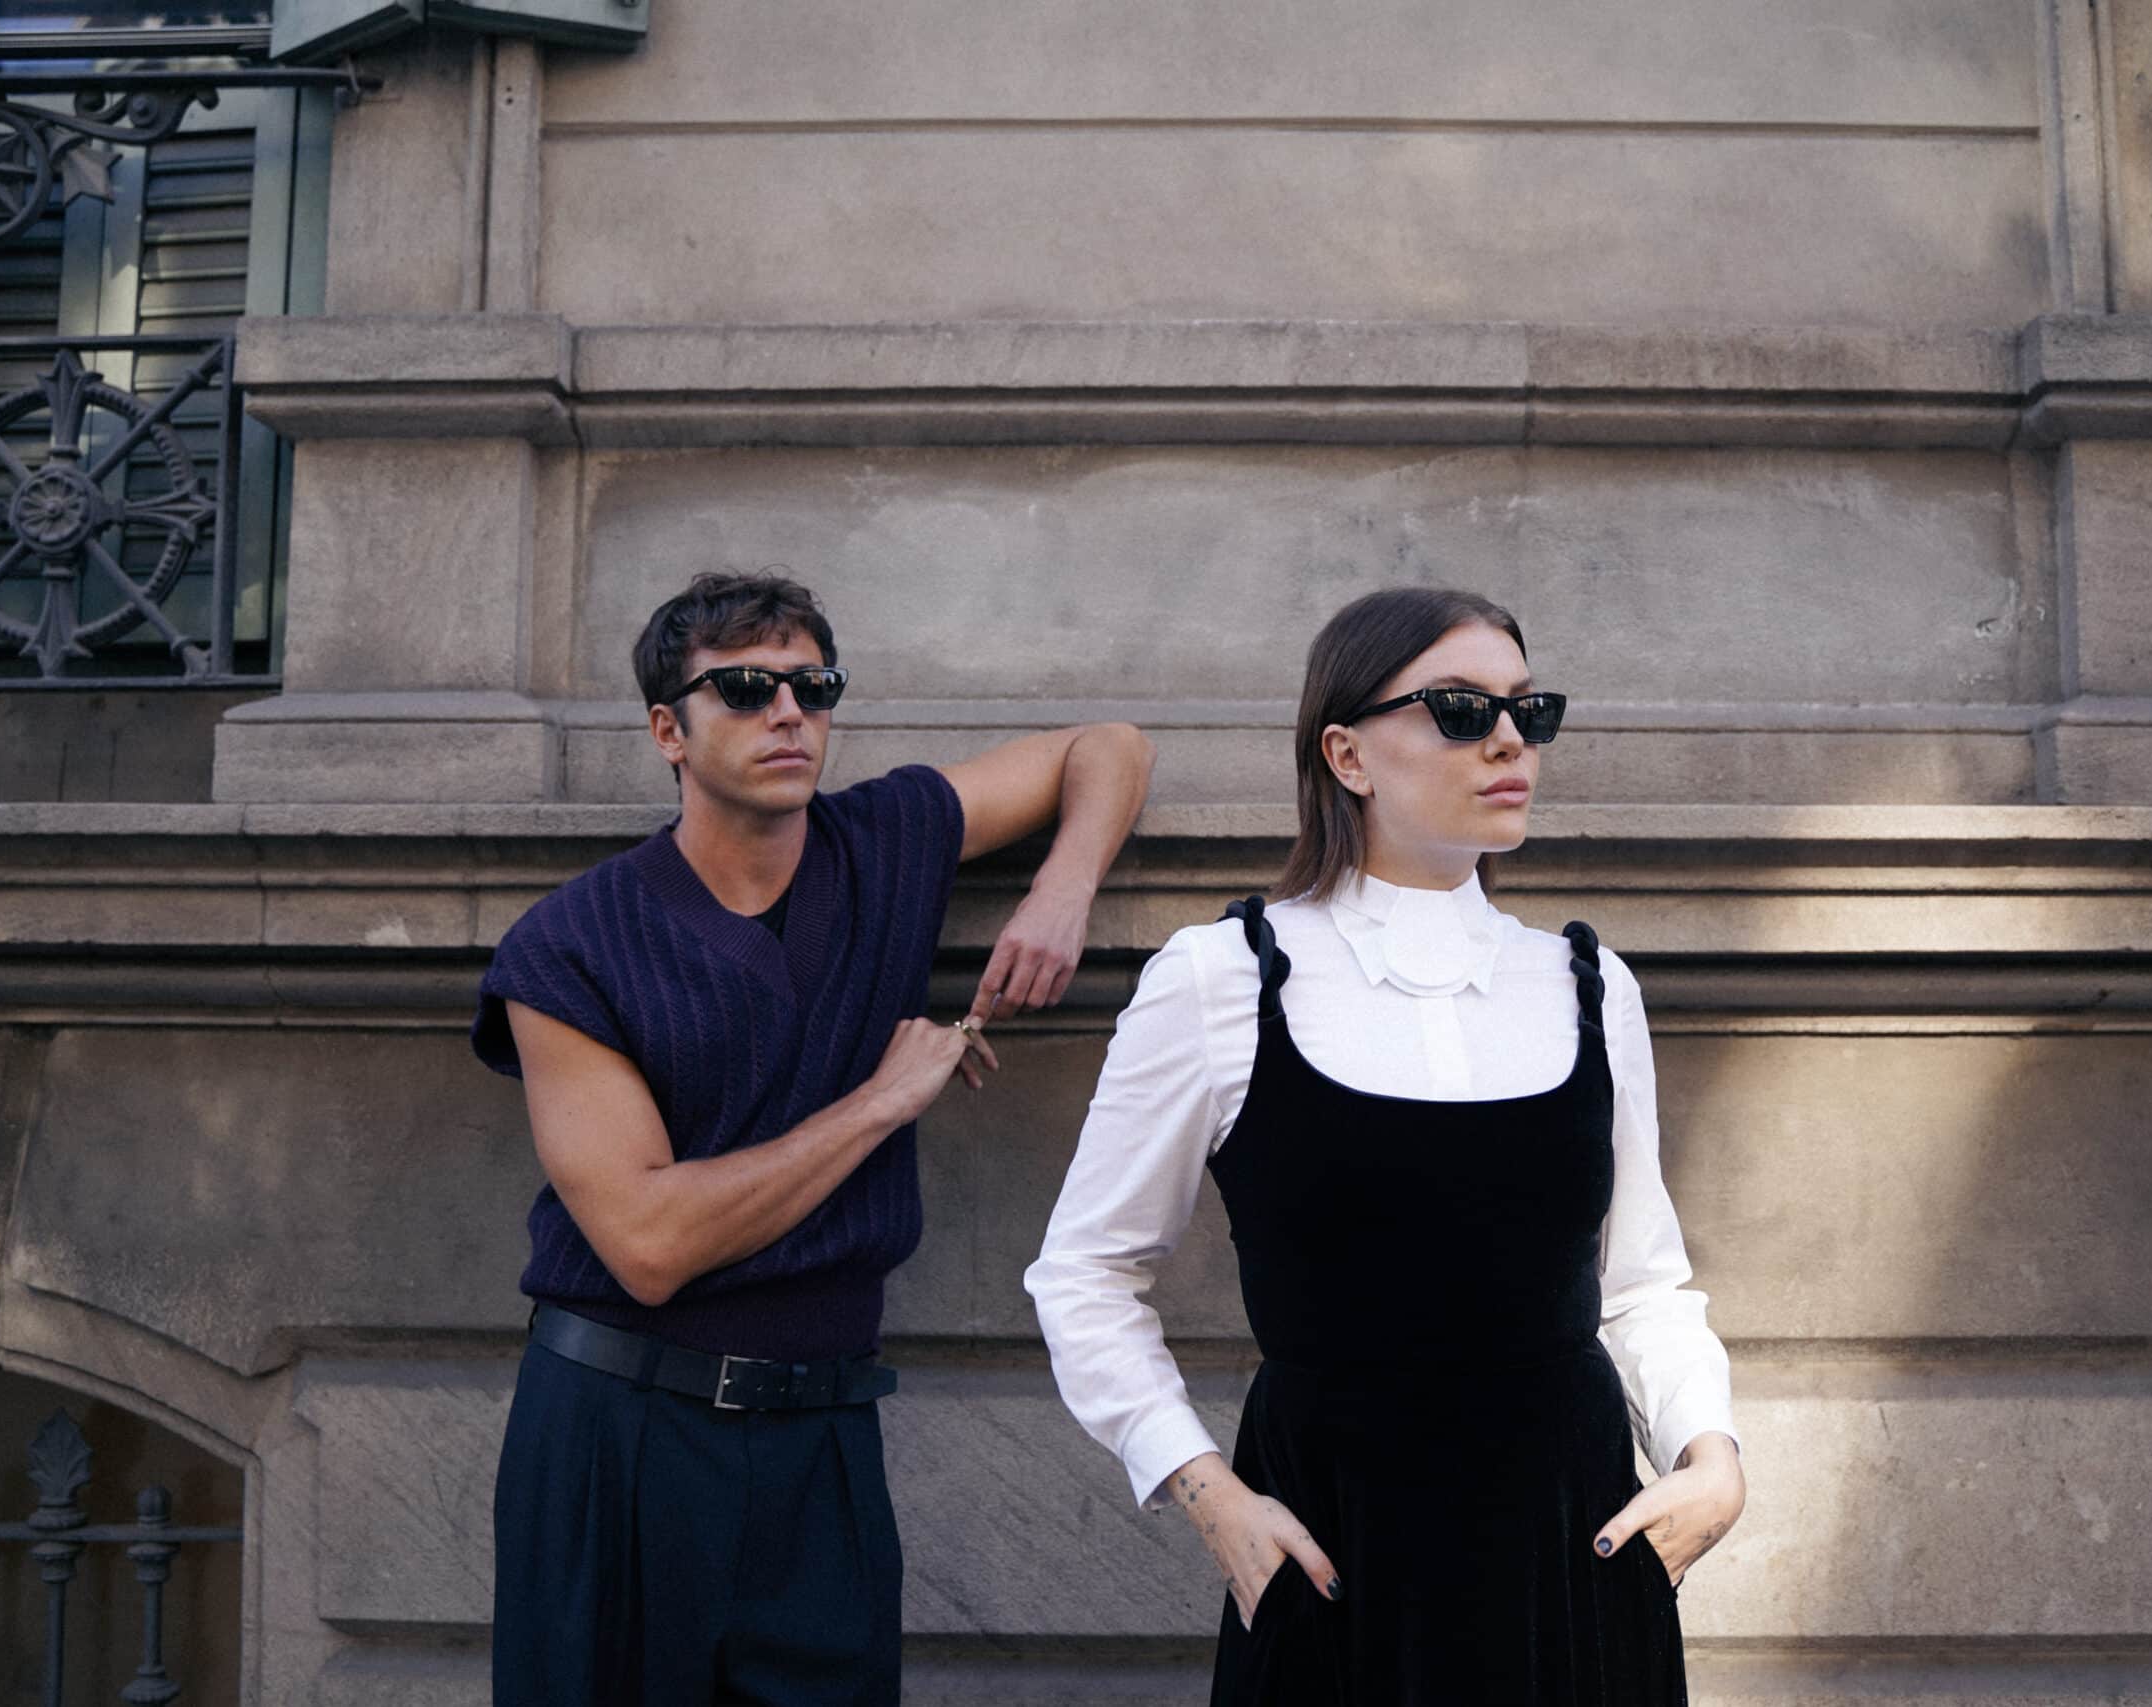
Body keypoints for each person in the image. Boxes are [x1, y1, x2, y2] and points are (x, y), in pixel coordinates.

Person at [1025, 585, 1744, 1705]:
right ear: (1346, 754)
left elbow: (1639, 1281)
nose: (1507, 740)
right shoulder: (1222, 980)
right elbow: (1084, 1272)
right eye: (1459, 709)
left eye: (1528, 710)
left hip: (1570, 1558)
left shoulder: (1589, 985)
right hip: (1338, 1559)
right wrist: (1208, 1493)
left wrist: (1712, 1457)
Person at [474, 571, 1154, 1706]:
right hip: (621, 1434)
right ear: (668, 732)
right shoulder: (571, 944)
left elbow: (1111, 746)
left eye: (813, 686)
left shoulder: (886, 839)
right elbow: (648, 1243)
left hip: (824, 1437)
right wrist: (882, 1102)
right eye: (745, 690)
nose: (788, 713)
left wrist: (1060, 890)